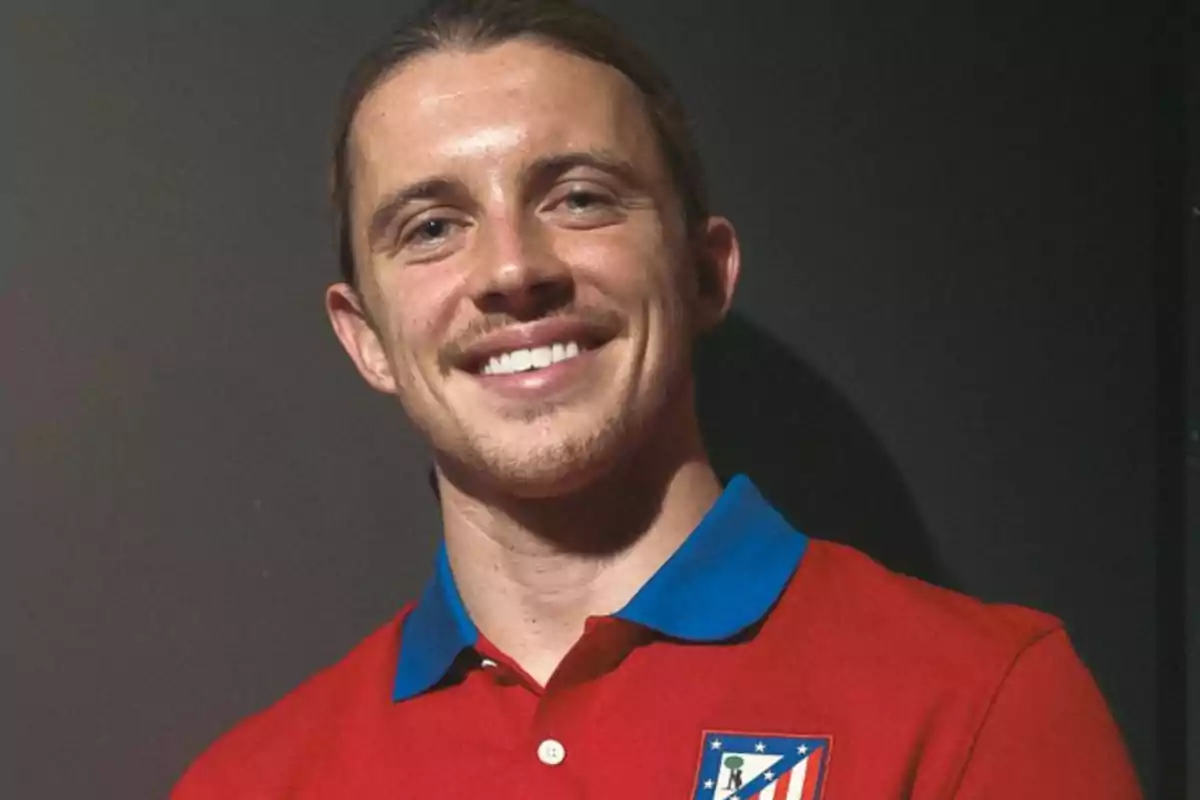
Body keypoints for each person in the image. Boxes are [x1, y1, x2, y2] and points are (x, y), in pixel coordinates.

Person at [171, 1, 1142, 797]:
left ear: (704, 271)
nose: (512, 267)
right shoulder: (247, 780)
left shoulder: (983, 700)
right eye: (431, 225)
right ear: (366, 336)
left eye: (581, 196)